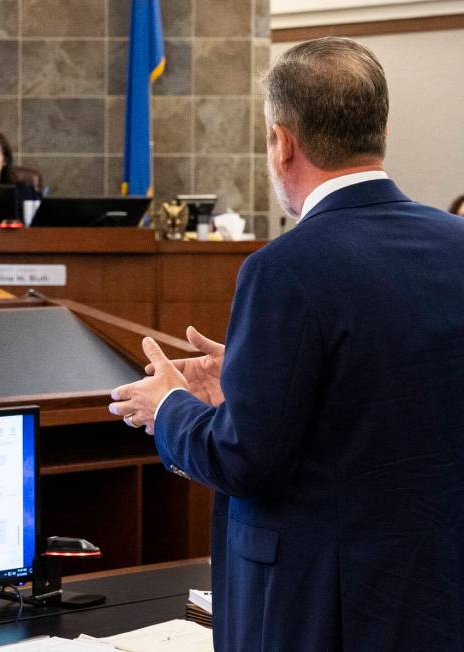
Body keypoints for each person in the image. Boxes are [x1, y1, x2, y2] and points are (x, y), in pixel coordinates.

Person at [109, 37, 464, 651]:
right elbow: (387, 401)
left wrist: (170, 406)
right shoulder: (456, 243)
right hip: (434, 599)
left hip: (321, 614)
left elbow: (245, 461)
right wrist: (248, 383)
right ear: (380, 129)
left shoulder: (284, 268)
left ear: (283, 142)